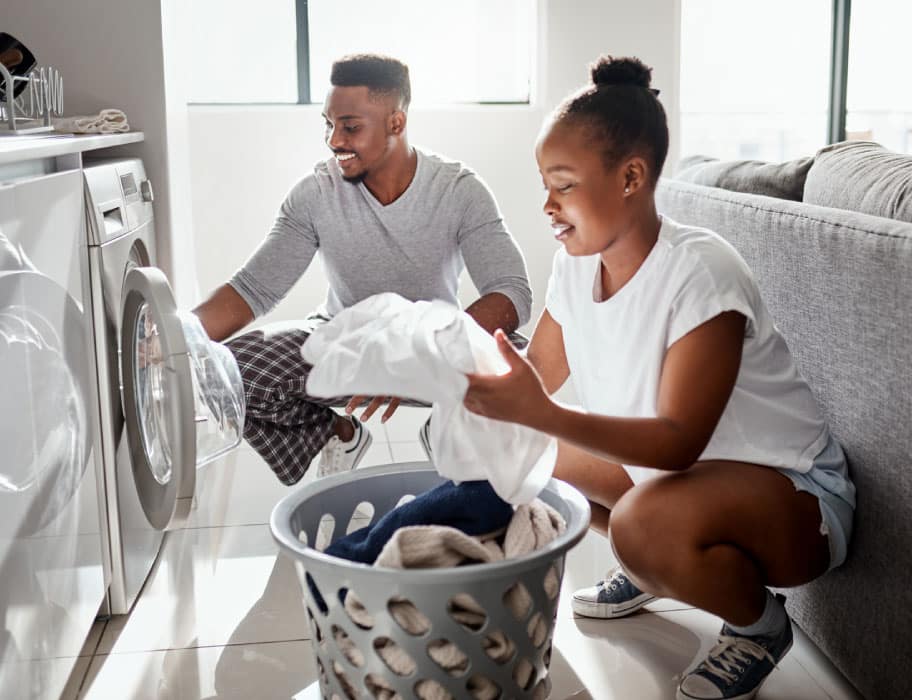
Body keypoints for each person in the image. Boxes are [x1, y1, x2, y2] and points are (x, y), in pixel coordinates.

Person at [462, 56, 856, 700]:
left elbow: (678, 441)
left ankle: (758, 628)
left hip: (796, 500)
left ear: (631, 177)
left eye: (562, 184)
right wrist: (463, 383)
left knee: (639, 525)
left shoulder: (700, 273)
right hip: (680, 485)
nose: (547, 204)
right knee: (522, 449)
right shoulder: (574, 264)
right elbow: (542, 372)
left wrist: (540, 413)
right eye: (544, 184)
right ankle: (660, 569)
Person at [194, 54, 531, 486]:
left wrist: (416, 350)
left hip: (433, 349)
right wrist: (181, 333)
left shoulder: (459, 190)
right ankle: (338, 434)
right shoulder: (316, 193)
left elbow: (511, 292)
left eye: (350, 126)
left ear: (396, 123)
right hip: (344, 343)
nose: (334, 140)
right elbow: (252, 290)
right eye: (328, 125)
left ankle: (449, 428)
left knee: (522, 361)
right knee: (228, 369)